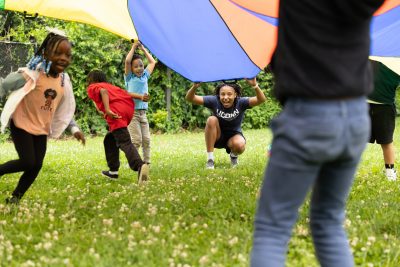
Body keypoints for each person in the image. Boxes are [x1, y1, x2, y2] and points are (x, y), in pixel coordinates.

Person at [251, 0, 384, 266]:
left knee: (273, 230)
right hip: (356, 115)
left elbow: (280, 58)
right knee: (329, 222)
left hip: (309, 113)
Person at [0, 29, 85, 204]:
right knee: (27, 161)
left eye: (68, 55)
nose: (63, 58)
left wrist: (74, 128)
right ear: (45, 54)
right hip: (22, 123)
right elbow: (6, 84)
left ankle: (16, 198)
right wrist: (19, 77)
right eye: (58, 53)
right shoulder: (33, 74)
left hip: (41, 128)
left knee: (36, 165)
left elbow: (65, 109)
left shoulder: (63, 81)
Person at [185, 78, 266, 169]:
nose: (225, 97)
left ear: (235, 95)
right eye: (222, 94)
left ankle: (233, 155)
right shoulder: (214, 100)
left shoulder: (241, 102)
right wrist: (194, 87)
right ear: (218, 95)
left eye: (229, 94)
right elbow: (190, 98)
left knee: (240, 144)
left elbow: (261, 100)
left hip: (233, 137)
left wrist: (255, 85)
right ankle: (210, 160)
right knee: (211, 119)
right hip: (217, 136)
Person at [86, 70, 149, 183]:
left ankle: (140, 165)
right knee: (110, 139)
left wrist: (107, 109)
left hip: (116, 113)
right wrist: (140, 97)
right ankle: (113, 171)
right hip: (127, 110)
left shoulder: (93, 86)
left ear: (92, 80)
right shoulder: (111, 86)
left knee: (124, 142)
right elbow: (126, 93)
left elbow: (103, 92)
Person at [124, 41, 156, 165]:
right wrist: (133, 47)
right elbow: (127, 61)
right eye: (136, 66)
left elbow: (152, 62)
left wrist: (143, 48)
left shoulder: (145, 76)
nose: (139, 68)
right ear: (131, 69)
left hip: (143, 113)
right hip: (132, 113)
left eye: (141, 65)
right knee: (136, 140)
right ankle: (133, 162)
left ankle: (146, 163)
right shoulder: (129, 78)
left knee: (146, 140)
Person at [368, 59, 400, 181]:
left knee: (386, 141)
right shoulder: (370, 55)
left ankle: (390, 171)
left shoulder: (395, 62)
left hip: (385, 107)